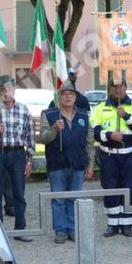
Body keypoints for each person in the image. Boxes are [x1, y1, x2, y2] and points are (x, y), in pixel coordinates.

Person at [0, 75, 35, 241]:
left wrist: (29, 160)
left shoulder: (24, 110)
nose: (6, 92)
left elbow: (30, 136)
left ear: (14, 90)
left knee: (18, 193)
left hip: (18, 154)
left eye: (9, 89)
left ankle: (20, 229)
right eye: (3, 89)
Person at [90, 76, 132, 237]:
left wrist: (126, 116)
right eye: (114, 86)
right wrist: (109, 135)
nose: (118, 89)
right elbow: (95, 132)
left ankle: (127, 224)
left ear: (126, 87)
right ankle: (112, 224)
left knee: (128, 188)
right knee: (110, 189)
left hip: (128, 154)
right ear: (109, 88)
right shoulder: (100, 107)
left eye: (121, 86)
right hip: (108, 155)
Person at [38, 84, 95, 243]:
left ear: (76, 97)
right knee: (58, 199)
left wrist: (90, 164)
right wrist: (54, 129)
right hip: (57, 163)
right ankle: (60, 231)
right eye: (64, 94)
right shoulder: (49, 114)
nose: (68, 97)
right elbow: (42, 139)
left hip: (77, 163)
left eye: (71, 94)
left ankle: (73, 229)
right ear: (59, 96)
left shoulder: (83, 115)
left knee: (75, 198)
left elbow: (90, 141)